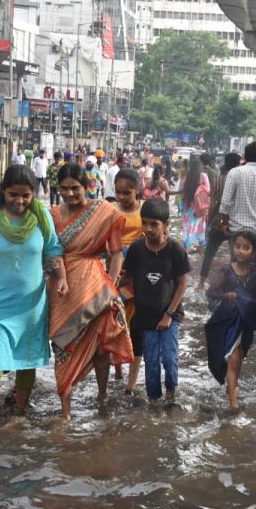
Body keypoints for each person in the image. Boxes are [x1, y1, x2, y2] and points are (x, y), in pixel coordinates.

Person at [0, 165, 67, 435]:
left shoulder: (41, 215)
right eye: (13, 195)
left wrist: (62, 278)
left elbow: (54, 249)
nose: (19, 202)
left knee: (26, 362)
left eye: (25, 196)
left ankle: (18, 416)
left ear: (34, 194)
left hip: (32, 307)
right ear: (2, 192)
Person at [47, 162, 134, 420]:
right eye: (64, 188)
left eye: (75, 188)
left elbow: (116, 253)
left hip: (97, 286)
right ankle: (65, 412)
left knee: (100, 350)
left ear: (87, 186)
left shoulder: (103, 211)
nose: (70, 193)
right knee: (63, 347)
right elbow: (51, 253)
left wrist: (111, 283)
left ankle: (102, 396)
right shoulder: (52, 215)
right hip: (63, 289)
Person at [120, 198, 190, 405]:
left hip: (170, 314)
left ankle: (170, 395)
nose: (148, 229)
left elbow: (183, 284)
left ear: (166, 225)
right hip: (145, 315)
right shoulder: (136, 249)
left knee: (169, 358)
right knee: (151, 362)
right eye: (145, 222)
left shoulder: (176, 250)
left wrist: (169, 315)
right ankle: (153, 402)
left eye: (154, 224)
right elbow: (127, 277)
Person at [205, 230, 256, 411]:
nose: (240, 251)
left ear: (254, 252)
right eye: (237, 246)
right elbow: (211, 292)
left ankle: (232, 389)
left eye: (246, 247)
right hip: (227, 320)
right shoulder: (226, 271)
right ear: (232, 248)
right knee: (233, 356)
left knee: (238, 358)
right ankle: (233, 404)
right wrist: (226, 294)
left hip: (246, 322)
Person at [112, 168, 146, 393]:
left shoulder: (146, 210)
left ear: (137, 190)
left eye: (127, 193)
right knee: (115, 324)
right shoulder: (110, 211)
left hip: (140, 277)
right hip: (115, 275)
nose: (122, 197)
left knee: (136, 328)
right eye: (119, 192)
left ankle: (131, 384)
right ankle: (117, 369)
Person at [199, 152, 243, 290]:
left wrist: (208, 222)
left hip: (219, 222)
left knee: (209, 253)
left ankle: (201, 283)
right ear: (238, 164)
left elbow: (212, 204)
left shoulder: (220, 179)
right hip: (235, 223)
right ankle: (231, 285)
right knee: (235, 255)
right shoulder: (241, 181)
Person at [180, 154, 211, 250]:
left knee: (187, 227)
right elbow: (208, 190)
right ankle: (202, 245)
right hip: (200, 205)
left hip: (188, 205)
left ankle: (186, 246)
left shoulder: (187, 177)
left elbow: (181, 189)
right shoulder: (203, 176)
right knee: (201, 226)